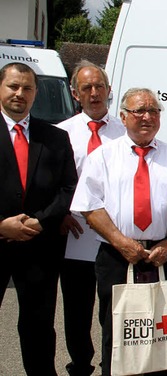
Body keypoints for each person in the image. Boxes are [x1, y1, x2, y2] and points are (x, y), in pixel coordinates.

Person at [70, 88, 167, 376]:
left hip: (161, 255)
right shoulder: (104, 156)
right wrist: (122, 243)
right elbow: (89, 206)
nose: (147, 116)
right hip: (117, 257)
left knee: (161, 332)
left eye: (154, 111)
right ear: (123, 116)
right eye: (139, 111)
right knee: (119, 331)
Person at [0, 62, 77, 376]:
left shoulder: (55, 137)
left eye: (27, 88)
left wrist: (39, 222)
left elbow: (68, 187)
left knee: (39, 325)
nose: (20, 93)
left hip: (39, 246)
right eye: (13, 86)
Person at [55, 60, 125, 376]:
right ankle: (81, 364)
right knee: (77, 311)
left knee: (112, 310)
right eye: (87, 88)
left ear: (109, 91)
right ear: (75, 93)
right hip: (76, 238)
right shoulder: (61, 134)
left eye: (99, 86)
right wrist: (58, 215)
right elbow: (54, 183)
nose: (94, 93)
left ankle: (114, 365)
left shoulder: (127, 132)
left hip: (114, 239)